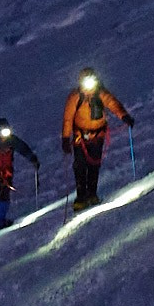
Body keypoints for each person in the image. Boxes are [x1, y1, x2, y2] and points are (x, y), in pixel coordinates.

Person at [61, 68, 134, 209]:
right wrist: (65, 138)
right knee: (80, 166)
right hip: (80, 138)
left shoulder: (101, 94)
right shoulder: (75, 97)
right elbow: (68, 119)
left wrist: (124, 116)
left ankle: (92, 194)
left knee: (94, 165)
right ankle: (81, 197)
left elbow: (113, 104)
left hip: (98, 136)